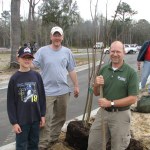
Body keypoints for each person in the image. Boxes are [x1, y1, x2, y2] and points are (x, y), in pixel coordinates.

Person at [32, 26, 79, 150]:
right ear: (51, 37)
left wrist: (76, 85)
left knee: (60, 117)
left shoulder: (67, 52)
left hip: (63, 91)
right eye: (55, 35)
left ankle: (53, 139)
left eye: (59, 35)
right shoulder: (42, 51)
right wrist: (23, 61)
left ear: (62, 37)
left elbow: (72, 70)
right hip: (46, 91)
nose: (57, 38)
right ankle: (42, 144)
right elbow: (32, 64)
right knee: (45, 119)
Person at [88, 41, 139, 150]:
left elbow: (133, 99)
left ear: (124, 52)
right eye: (113, 51)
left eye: (118, 52)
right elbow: (96, 92)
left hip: (120, 115)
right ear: (109, 51)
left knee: (118, 147)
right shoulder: (104, 69)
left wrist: (111, 103)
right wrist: (96, 85)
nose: (115, 54)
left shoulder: (131, 73)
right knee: (94, 144)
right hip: (103, 113)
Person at [7, 46, 46, 150]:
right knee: (21, 146)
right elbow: (10, 103)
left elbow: (42, 96)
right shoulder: (14, 79)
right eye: (24, 57)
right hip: (22, 121)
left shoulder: (36, 76)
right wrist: (14, 122)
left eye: (29, 58)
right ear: (18, 59)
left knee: (34, 144)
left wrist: (42, 115)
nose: (27, 60)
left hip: (35, 119)